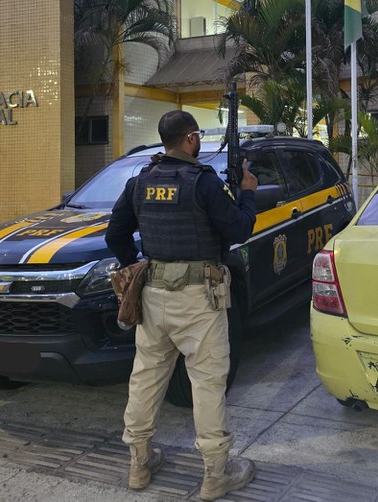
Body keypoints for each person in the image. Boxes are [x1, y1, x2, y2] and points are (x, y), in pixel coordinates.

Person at [105, 110, 258, 501]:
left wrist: (134, 265)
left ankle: (139, 464)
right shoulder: (203, 183)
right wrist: (248, 192)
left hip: (152, 296)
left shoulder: (140, 182)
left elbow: (115, 234)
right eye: (197, 138)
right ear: (191, 139)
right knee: (207, 384)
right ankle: (215, 475)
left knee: (145, 379)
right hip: (199, 300)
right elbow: (239, 230)